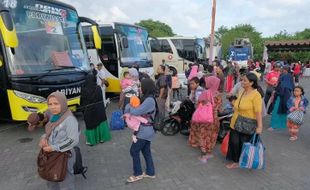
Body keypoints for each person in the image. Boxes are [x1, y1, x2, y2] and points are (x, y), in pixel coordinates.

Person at [39, 91, 79, 190]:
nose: (53, 107)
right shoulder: (54, 116)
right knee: (51, 178)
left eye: (56, 104)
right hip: (51, 155)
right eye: (50, 104)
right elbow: (50, 132)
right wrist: (44, 138)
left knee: (65, 181)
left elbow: (72, 140)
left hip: (65, 156)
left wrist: (54, 147)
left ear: (63, 103)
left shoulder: (70, 120)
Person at [226, 73, 263, 169]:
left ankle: (242, 161)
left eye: (244, 80)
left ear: (251, 83)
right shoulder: (242, 91)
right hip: (235, 121)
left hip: (247, 123)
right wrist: (231, 100)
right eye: (242, 80)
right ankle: (236, 160)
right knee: (234, 142)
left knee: (243, 143)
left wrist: (259, 126)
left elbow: (258, 112)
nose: (242, 82)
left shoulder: (256, 95)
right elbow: (238, 104)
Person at [125, 78, 156, 183]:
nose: (140, 88)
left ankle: (137, 174)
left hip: (145, 131)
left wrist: (129, 105)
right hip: (147, 129)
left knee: (134, 150)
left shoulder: (149, 100)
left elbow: (136, 112)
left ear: (145, 87)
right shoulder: (148, 98)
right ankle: (150, 172)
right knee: (146, 150)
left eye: (141, 86)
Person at [189, 76, 222, 164]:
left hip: (204, 119)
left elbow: (197, 105)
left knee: (203, 135)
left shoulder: (205, 93)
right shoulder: (218, 94)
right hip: (214, 119)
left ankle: (203, 156)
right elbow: (219, 108)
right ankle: (208, 153)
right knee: (211, 136)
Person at [81, 71, 111, 146]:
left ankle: (92, 141)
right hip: (99, 110)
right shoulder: (98, 88)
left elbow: (82, 102)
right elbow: (101, 99)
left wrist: (82, 111)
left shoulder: (83, 90)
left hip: (89, 111)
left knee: (91, 125)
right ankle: (101, 138)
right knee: (100, 123)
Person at [269, 65, 294, 131]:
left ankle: (274, 125)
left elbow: (282, 87)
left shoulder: (284, 76)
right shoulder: (290, 76)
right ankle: (288, 124)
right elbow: (292, 86)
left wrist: (275, 92)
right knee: (286, 109)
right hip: (287, 95)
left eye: (282, 69)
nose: (281, 70)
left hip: (281, 95)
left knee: (277, 110)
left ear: (285, 70)